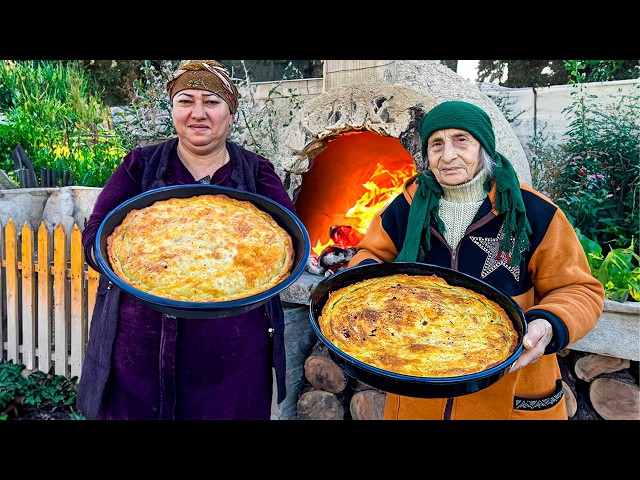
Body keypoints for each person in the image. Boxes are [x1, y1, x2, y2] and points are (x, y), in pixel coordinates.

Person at [347, 100, 605, 420]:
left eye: (461, 140)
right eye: (436, 144)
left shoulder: (535, 213)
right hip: (419, 388)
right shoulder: (406, 207)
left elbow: (579, 288)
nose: (448, 155)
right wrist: (368, 284)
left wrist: (547, 324)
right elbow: (369, 254)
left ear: (484, 148)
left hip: (508, 388)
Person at [77, 60, 296, 420]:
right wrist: (133, 268)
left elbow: (292, 237)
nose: (198, 113)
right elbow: (96, 235)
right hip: (139, 354)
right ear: (173, 109)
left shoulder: (257, 172)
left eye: (211, 101)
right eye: (185, 100)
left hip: (232, 359)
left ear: (230, 111)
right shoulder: (140, 165)